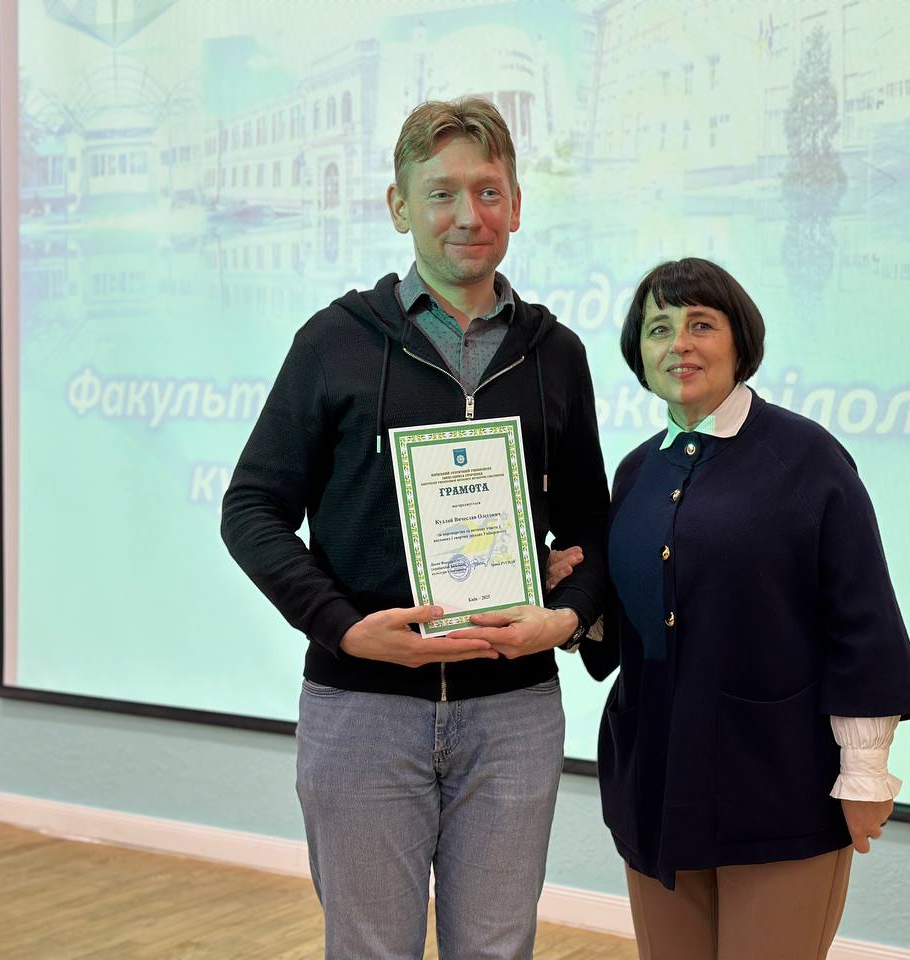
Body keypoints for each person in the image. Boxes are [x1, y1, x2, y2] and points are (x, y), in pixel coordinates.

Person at [220, 96, 609, 960]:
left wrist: (568, 617)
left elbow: (593, 524)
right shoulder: (333, 342)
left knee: (497, 950)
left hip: (513, 716)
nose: (468, 214)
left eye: (488, 191)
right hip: (362, 710)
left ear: (515, 204)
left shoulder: (556, 354)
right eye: (441, 193)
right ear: (399, 207)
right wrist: (343, 627)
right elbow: (251, 508)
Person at [573, 257, 910, 960]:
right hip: (654, 786)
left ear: (740, 341)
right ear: (638, 352)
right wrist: (570, 596)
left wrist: (864, 773)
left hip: (778, 787)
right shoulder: (637, 469)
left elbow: (860, 620)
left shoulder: (808, 458)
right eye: (659, 328)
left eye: (701, 325)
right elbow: (633, 611)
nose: (680, 343)